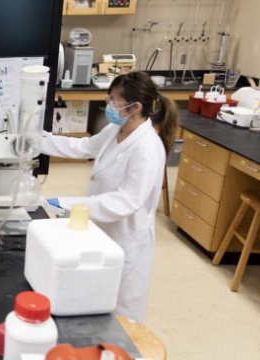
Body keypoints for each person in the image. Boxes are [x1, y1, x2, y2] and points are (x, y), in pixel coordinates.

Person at [41, 71, 178, 324]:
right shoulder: (117, 129)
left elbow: (125, 202)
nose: (109, 105)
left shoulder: (147, 148)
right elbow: (84, 147)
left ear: (135, 107)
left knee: (121, 315)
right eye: (109, 98)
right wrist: (40, 141)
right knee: (94, 300)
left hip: (126, 241)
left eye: (115, 101)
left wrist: (66, 203)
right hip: (100, 230)